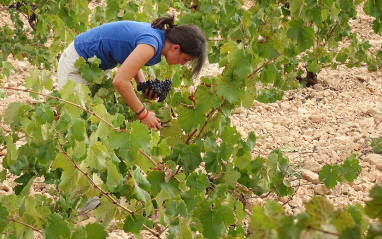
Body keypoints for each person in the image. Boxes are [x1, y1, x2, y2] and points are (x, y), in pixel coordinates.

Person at [57, 14, 207, 130]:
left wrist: (142, 85)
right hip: (77, 63)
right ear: (176, 48)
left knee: (99, 120)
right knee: (74, 121)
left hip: (98, 69)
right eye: (185, 60)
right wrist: (143, 114)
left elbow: (131, 59)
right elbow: (120, 81)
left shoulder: (158, 39)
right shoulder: (152, 44)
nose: (182, 64)